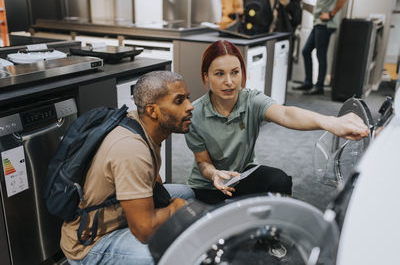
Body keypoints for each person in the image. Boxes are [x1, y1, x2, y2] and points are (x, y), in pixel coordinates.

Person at [184, 40, 369, 206]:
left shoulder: (251, 100)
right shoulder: (195, 113)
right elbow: (203, 163)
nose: (229, 82)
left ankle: (271, 242)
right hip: (209, 185)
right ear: (206, 76)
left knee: (279, 181)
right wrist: (215, 174)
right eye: (219, 74)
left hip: (242, 175)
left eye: (235, 72)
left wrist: (330, 122)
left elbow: (286, 114)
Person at [62, 71, 195, 265]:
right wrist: (173, 209)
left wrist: (169, 204)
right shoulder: (131, 149)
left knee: (186, 194)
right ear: (153, 111)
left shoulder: (140, 123)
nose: (190, 106)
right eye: (179, 101)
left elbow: (151, 174)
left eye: (188, 98)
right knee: (173, 254)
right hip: (92, 243)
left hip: (117, 212)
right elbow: (144, 230)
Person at [293, 0, 348, 95]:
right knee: (306, 51)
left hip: (325, 24)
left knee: (320, 55)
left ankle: (319, 86)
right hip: (318, 23)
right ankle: (308, 82)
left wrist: (331, 14)